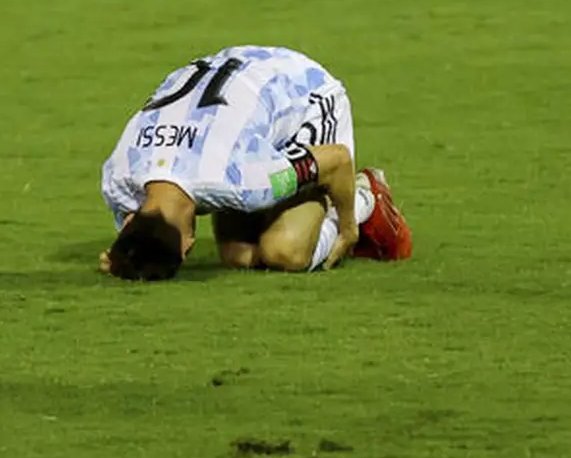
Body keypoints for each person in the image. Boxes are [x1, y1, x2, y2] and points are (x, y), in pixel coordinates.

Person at [97, 45, 412, 281]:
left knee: (284, 251)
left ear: (187, 245)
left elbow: (337, 159)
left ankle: (366, 196)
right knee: (239, 256)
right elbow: (138, 236)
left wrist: (347, 228)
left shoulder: (245, 183)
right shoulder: (118, 177)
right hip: (239, 81)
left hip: (307, 94)